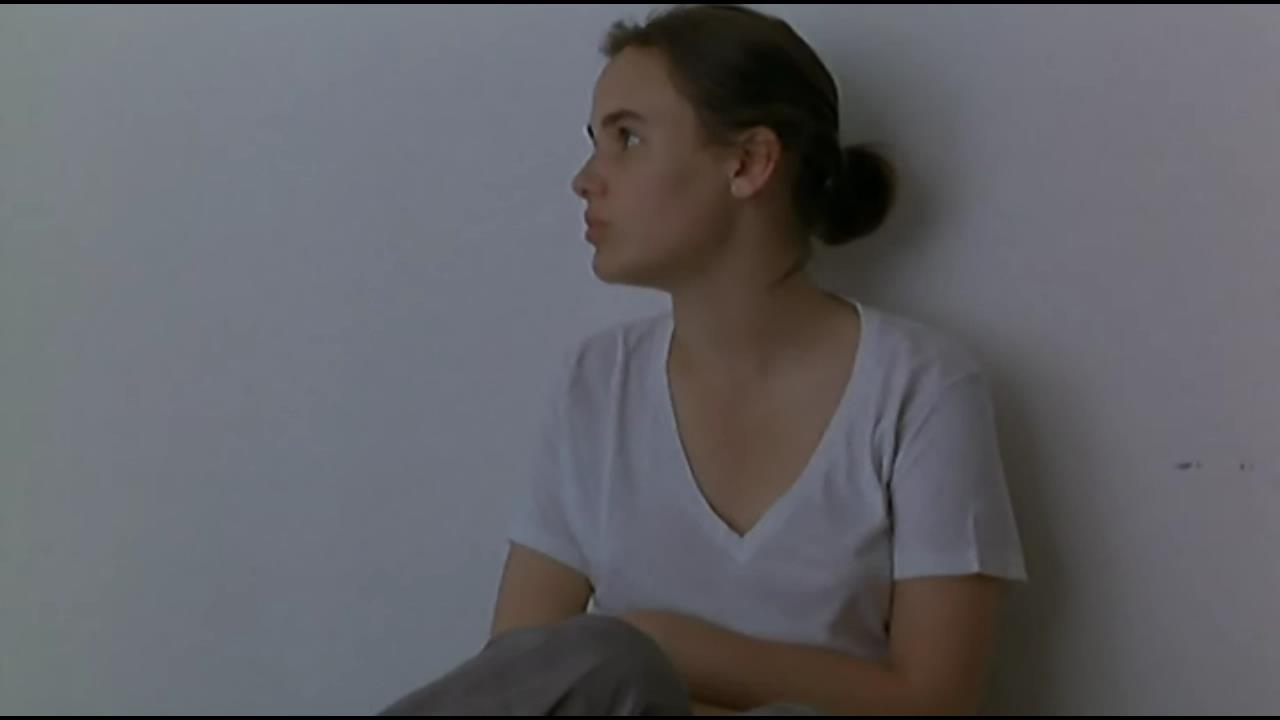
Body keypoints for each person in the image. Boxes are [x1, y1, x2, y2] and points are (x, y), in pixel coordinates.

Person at [380, 4, 1026, 715]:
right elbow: (523, 687)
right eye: (596, 142)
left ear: (748, 163)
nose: (586, 179)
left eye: (627, 139)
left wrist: (660, 644)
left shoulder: (922, 386)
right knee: (608, 661)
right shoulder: (596, 381)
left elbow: (935, 703)